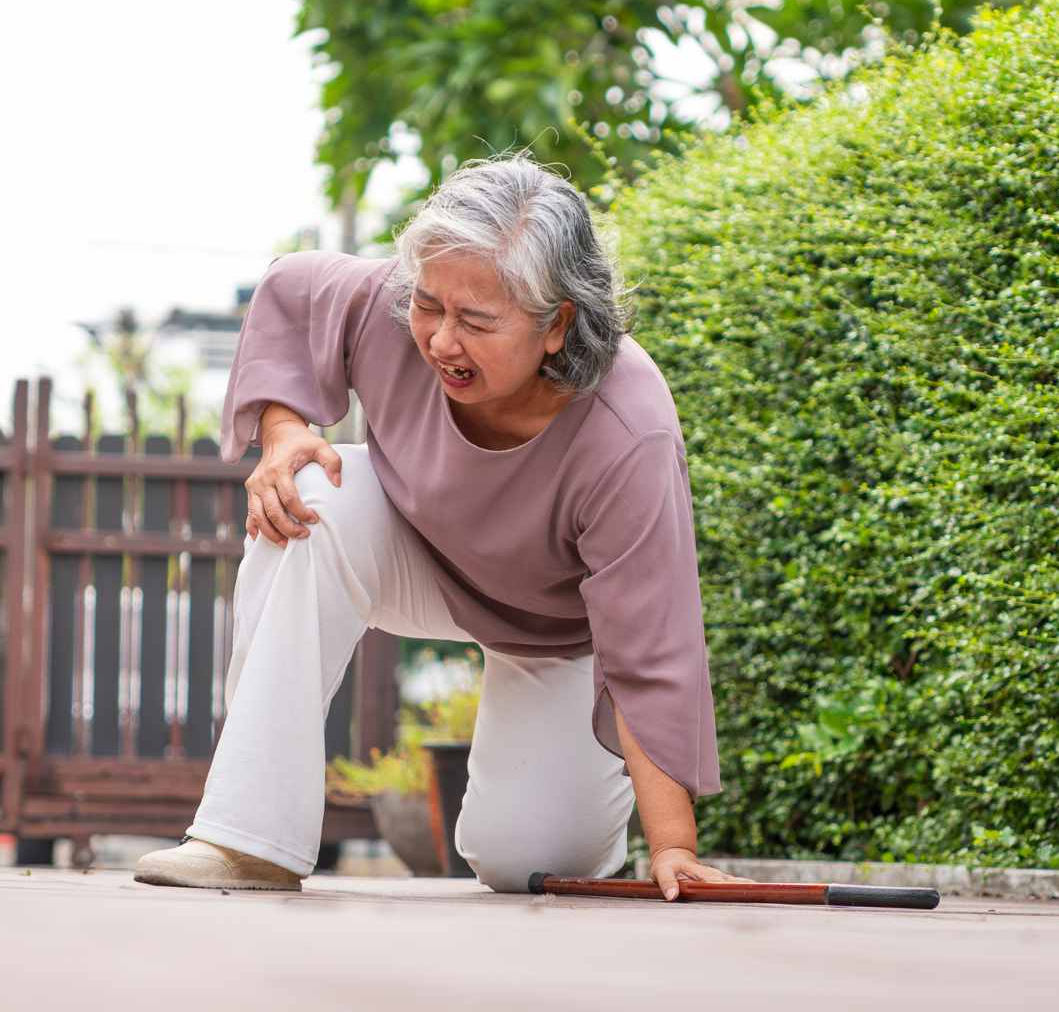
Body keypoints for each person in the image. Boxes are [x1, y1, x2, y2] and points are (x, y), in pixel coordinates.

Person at [134, 151, 748, 900]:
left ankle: (582, 813)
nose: (440, 340)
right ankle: (246, 841)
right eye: (429, 306)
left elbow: (652, 645)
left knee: (522, 861)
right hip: (417, 552)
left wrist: (674, 845)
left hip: (558, 633)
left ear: (557, 324)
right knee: (313, 497)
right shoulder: (403, 304)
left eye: (476, 321)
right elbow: (291, 289)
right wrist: (283, 429)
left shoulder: (628, 429)